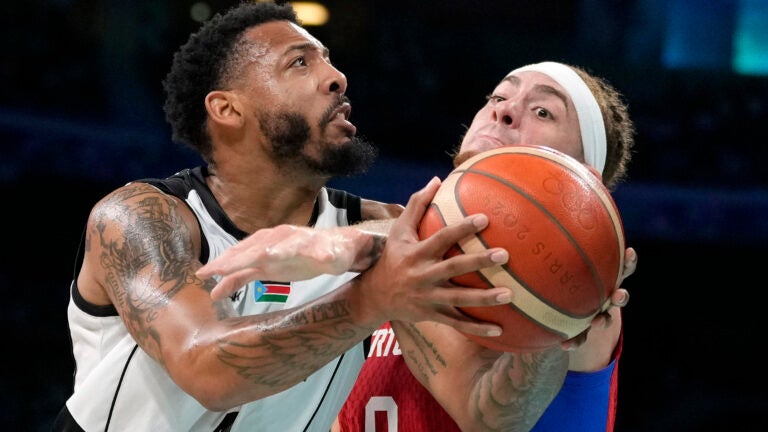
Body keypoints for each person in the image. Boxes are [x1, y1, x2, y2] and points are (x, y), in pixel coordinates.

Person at [52, 3, 520, 431]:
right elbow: (205, 368)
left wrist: (561, 329)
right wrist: (370, 299)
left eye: (329, 60)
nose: (337, 77)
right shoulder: (142, 216)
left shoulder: (383, 229)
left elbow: (486, 411)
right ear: (228, 108)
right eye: (300, 62)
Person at [198, 62, 637, 431]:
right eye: (497, 97)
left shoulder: (586, 288)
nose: (503, 112)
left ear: (584, 177)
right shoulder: (402, 273)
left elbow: (494, 417)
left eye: (543, 111)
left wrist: (342, 245)